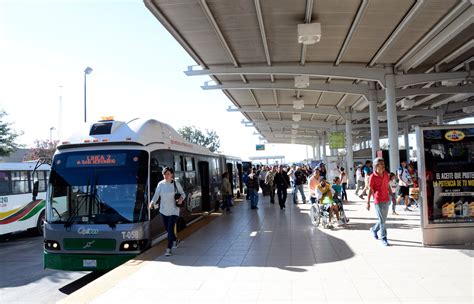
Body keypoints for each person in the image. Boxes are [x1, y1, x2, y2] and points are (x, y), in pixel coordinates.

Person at [149, 166, 185, 256]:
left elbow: (183, 193)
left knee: (170, 229)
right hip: (164, 210)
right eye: (164, 174)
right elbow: (156, 195)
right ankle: (175, 240)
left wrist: (181, 198)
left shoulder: (176, 184)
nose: (166, 175)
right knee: (168, 230)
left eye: (168, 174)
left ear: (172, 174)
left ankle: (168, 249)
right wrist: (152, 202)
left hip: (174, 210)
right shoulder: (160, 184)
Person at [366, 158, 391, 246]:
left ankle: (374, 229)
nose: (383, 165)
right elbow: (370, 189)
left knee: (383, 220)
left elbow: (388, 185)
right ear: (376, 165)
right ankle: (384, 238)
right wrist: (368, 202)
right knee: (382, 221)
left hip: (386, 199)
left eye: (383, 163)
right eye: (381, 164)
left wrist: (392, 195)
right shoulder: (372, 176)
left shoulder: (386, 174)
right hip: (378, 200)